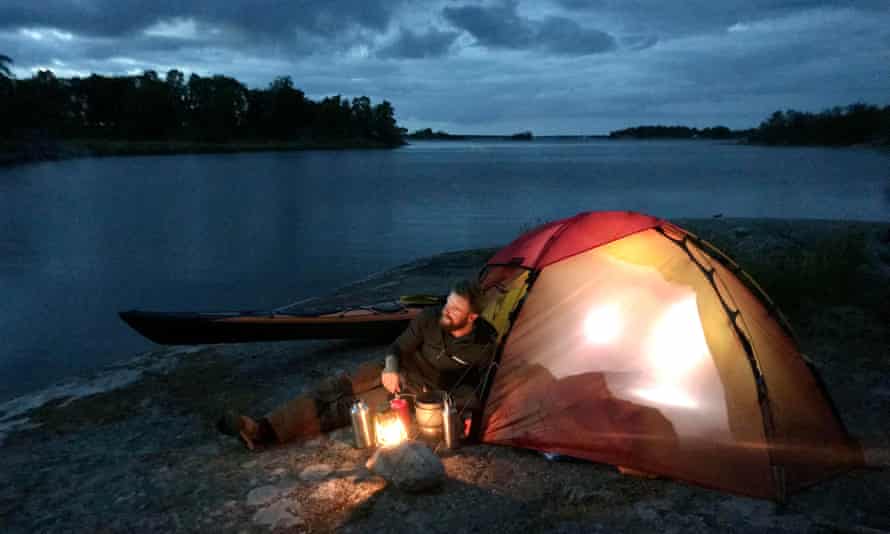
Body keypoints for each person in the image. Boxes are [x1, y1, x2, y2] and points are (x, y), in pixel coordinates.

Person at [218, 279, 497, 450]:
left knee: (349, 408)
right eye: (448, 303)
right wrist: (390, 367)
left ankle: (266, 434)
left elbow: (477, 393)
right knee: (331, 387)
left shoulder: (484, 345)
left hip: (416, 391)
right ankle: (258, 425)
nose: (446, 311)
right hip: (394, 370)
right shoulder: (429, 317)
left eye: (455, 310)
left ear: (472, 317)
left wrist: (437, 405)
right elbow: (397, 347)